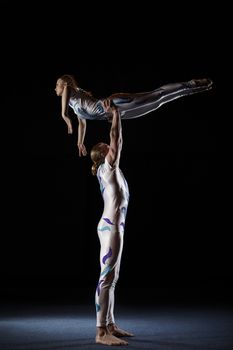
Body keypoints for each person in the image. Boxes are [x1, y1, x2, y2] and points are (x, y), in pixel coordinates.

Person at [55, 74, 213, 156]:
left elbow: (67, 91)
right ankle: (192, 90)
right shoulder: (74, 105)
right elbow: (82, 124)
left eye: (57, 85)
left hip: (114, 103)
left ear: (64, 85)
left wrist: (64, 116)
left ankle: (190, 84)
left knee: (156, 95)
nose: (55, 88)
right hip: (113, 115)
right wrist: (79, 142)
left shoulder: (70, 92)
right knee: (157, 104)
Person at [90, 104, 133, 346]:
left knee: (112, 277)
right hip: (110, 228)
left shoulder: (109, 171)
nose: (110, 146)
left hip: (114, 227)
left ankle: (110, 324)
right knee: (106, 277)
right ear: (104, 152)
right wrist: (116, 115)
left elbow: (115, 142)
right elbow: (117, 138)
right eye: (107, 146)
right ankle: (99, 332)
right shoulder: (108, 168)